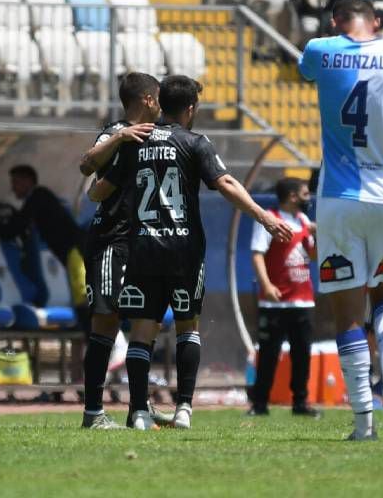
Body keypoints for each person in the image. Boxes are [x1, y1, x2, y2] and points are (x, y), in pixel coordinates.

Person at [89, 75, 293, 430]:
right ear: (190, 108)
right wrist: (263, 216)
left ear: (159, 103)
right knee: (188, 327)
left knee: (142, 329)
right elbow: (225, 182)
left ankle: (138, 412)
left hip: (143, 248)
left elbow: (99, 190)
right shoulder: (195, 142)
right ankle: (183, 408)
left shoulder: (136, 141)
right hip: (183, 250)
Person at [298, 0, 383, 441]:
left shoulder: (321, 50)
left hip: (336, 199)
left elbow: (306, 69)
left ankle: (363, 425)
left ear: (336, 20)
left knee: (348, 316)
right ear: (376, 20)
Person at [77, 72, 160, 429]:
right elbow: (87, 164)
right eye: (156, 97)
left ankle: (138, 409)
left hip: (145, 242)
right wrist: (121, 136)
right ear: (147, 99)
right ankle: (93, 412)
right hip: (113, 239)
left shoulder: (159, 137)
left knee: (145, 322)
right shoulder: (115, 131)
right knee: (106, 322)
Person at [247, 177, 321, 418]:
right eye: (304, 193)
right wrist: (266, 285)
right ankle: (259, 404)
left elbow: (313, 255)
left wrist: (317, 234)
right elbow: (257, 254)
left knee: (302, 354)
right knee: (268, 354)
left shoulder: (302, 220)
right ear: (292, 196)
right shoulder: (269, 219)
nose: (307, 198)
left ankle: (300, 402)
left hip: (303, 300)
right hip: (275, 301)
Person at [0, 164, 89, 325]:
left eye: (15, 182)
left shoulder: (38, 195)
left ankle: (96, 339)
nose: (13, 188)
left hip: (76, 251)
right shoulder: (40, 198)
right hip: (75, 250)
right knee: (81, 299)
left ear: (27, 181)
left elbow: (18, 224)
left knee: (83, 298)